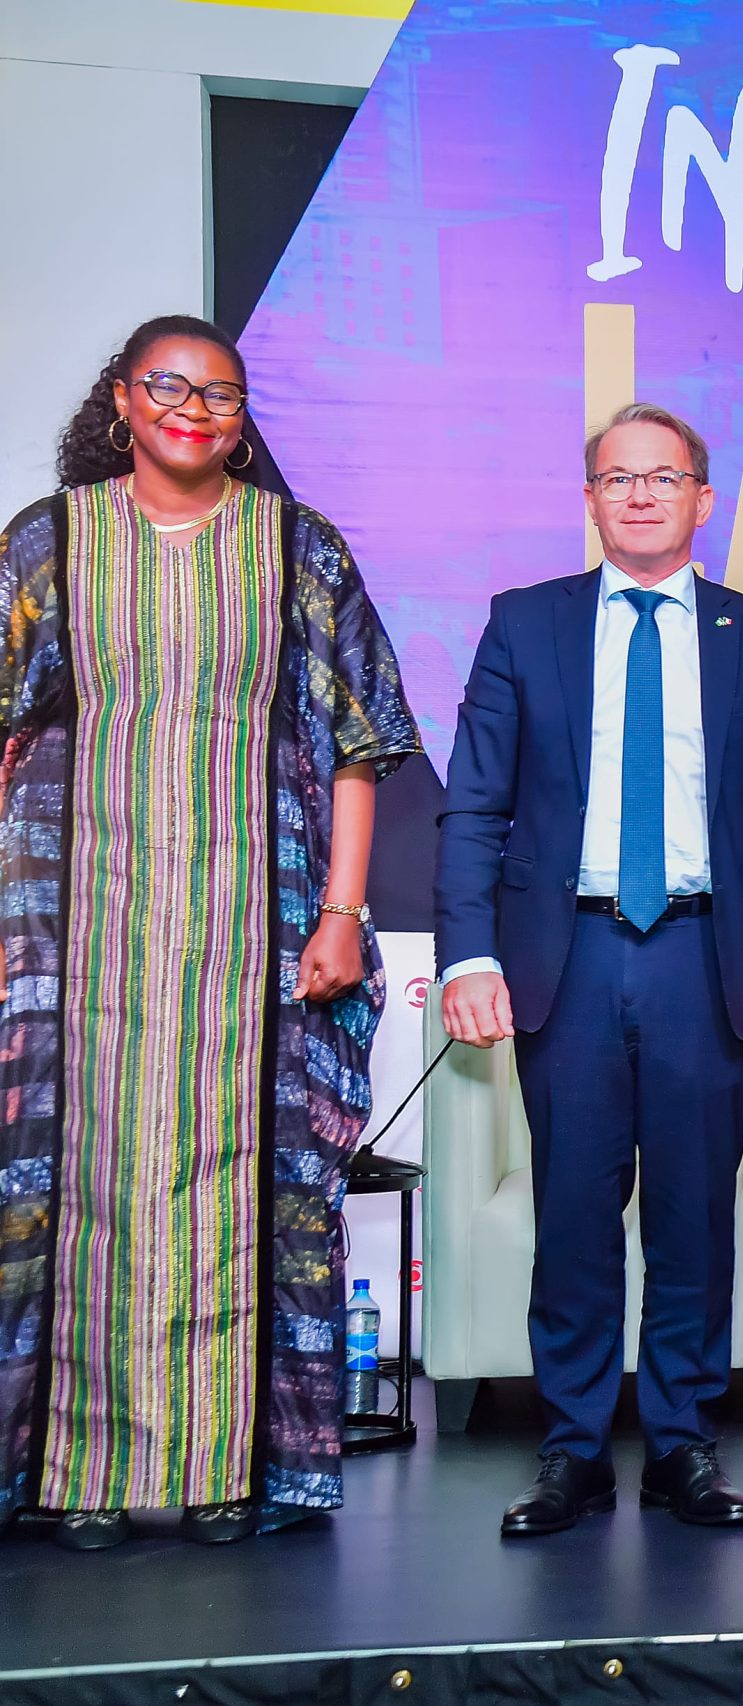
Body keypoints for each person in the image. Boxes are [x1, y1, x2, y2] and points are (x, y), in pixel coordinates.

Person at [0, 314, 419, 1551]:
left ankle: (234, 1464)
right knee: (85, 1185)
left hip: (259, 931)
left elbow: (358, 744)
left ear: (242, 420)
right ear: (123, 402)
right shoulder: (48, 541)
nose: (193, 408)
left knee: (244, 1184)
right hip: (77, 924)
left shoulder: (298, 547)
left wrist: (340, 912)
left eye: (220, 393)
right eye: (169, 386)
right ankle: (79, 1473)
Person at [436, 402, 743, 1538]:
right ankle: (571, 1450)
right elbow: (475, 805)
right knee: (573, 1213)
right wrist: (468, 951)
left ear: (704, 499)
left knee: (696, 1215)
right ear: (591, 499)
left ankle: (683, 1444)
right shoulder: (525, 623)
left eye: (664, 477)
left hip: (706, 955)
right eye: (619, 478)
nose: (642, 494)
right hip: (571, 953)